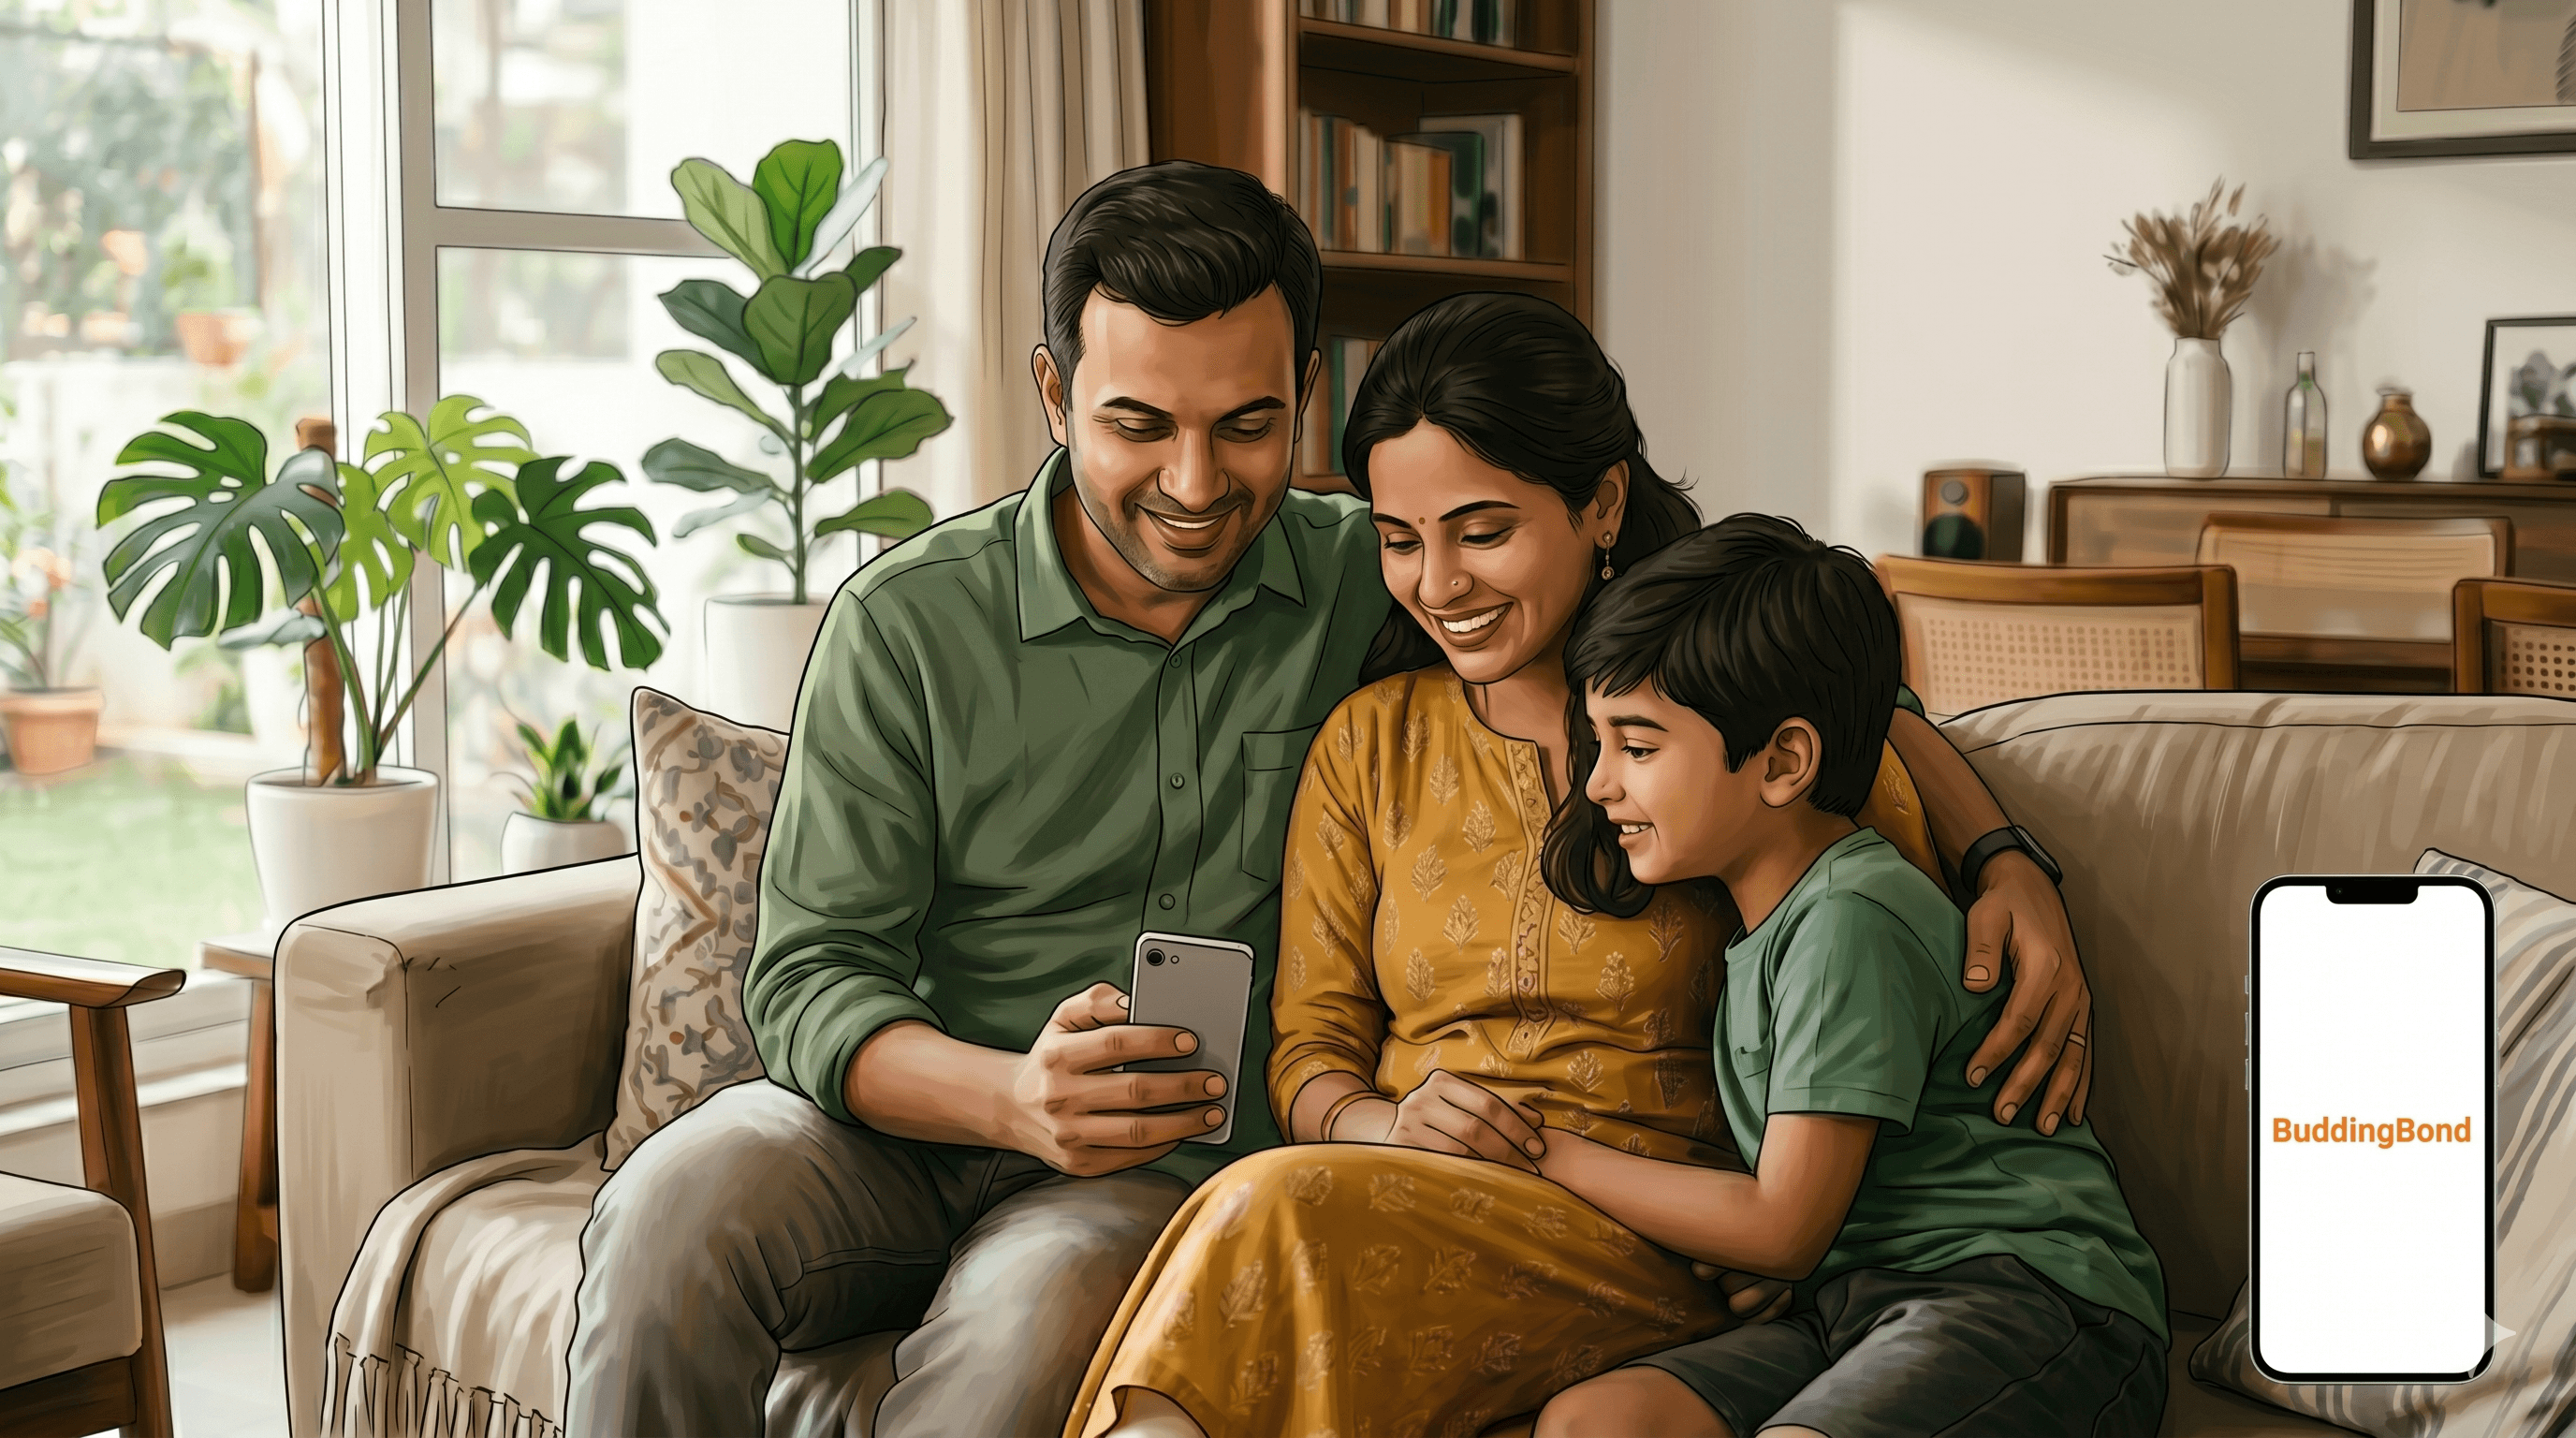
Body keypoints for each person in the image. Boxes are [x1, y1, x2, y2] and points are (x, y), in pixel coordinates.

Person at [564, 161, 2095, 1438]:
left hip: (1164, 1171)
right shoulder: (913, 622)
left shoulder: (1364, 567)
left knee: (1037, 1328)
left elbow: (1789, 687)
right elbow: (811, 979)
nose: (1192, 481)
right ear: (1052, 392)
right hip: (901, 1122)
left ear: (1303, 393)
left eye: (1243, 424)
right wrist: (1009, 1094)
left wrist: (2003, 852)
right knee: (671, 1213)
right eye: (1135, 424)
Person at [1061, 294, 2108, 1438]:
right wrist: (1388, 1126)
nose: (1439, 586)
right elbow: (1310, 1052)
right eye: (1400, 542)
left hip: (1659, 1243)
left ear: (1601, 501)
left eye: (1481, 531)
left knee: (1266, 1211)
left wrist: (2007, 858)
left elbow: (1859, 731)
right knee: (1267, 1207)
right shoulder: (1370, 742)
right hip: (1395, 1189)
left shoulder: (1712, 731)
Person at [1528, 516, 2167, 1438]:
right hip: (1858, 1309)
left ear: (1783, 762)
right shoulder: (1765, 930)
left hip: (2034, 1303)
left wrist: (1544, 1152)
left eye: (1638, 746)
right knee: (1596, 1421)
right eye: (1597, 743)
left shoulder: (1850, 917)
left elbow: (1781, 1225)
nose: (1596, 785)